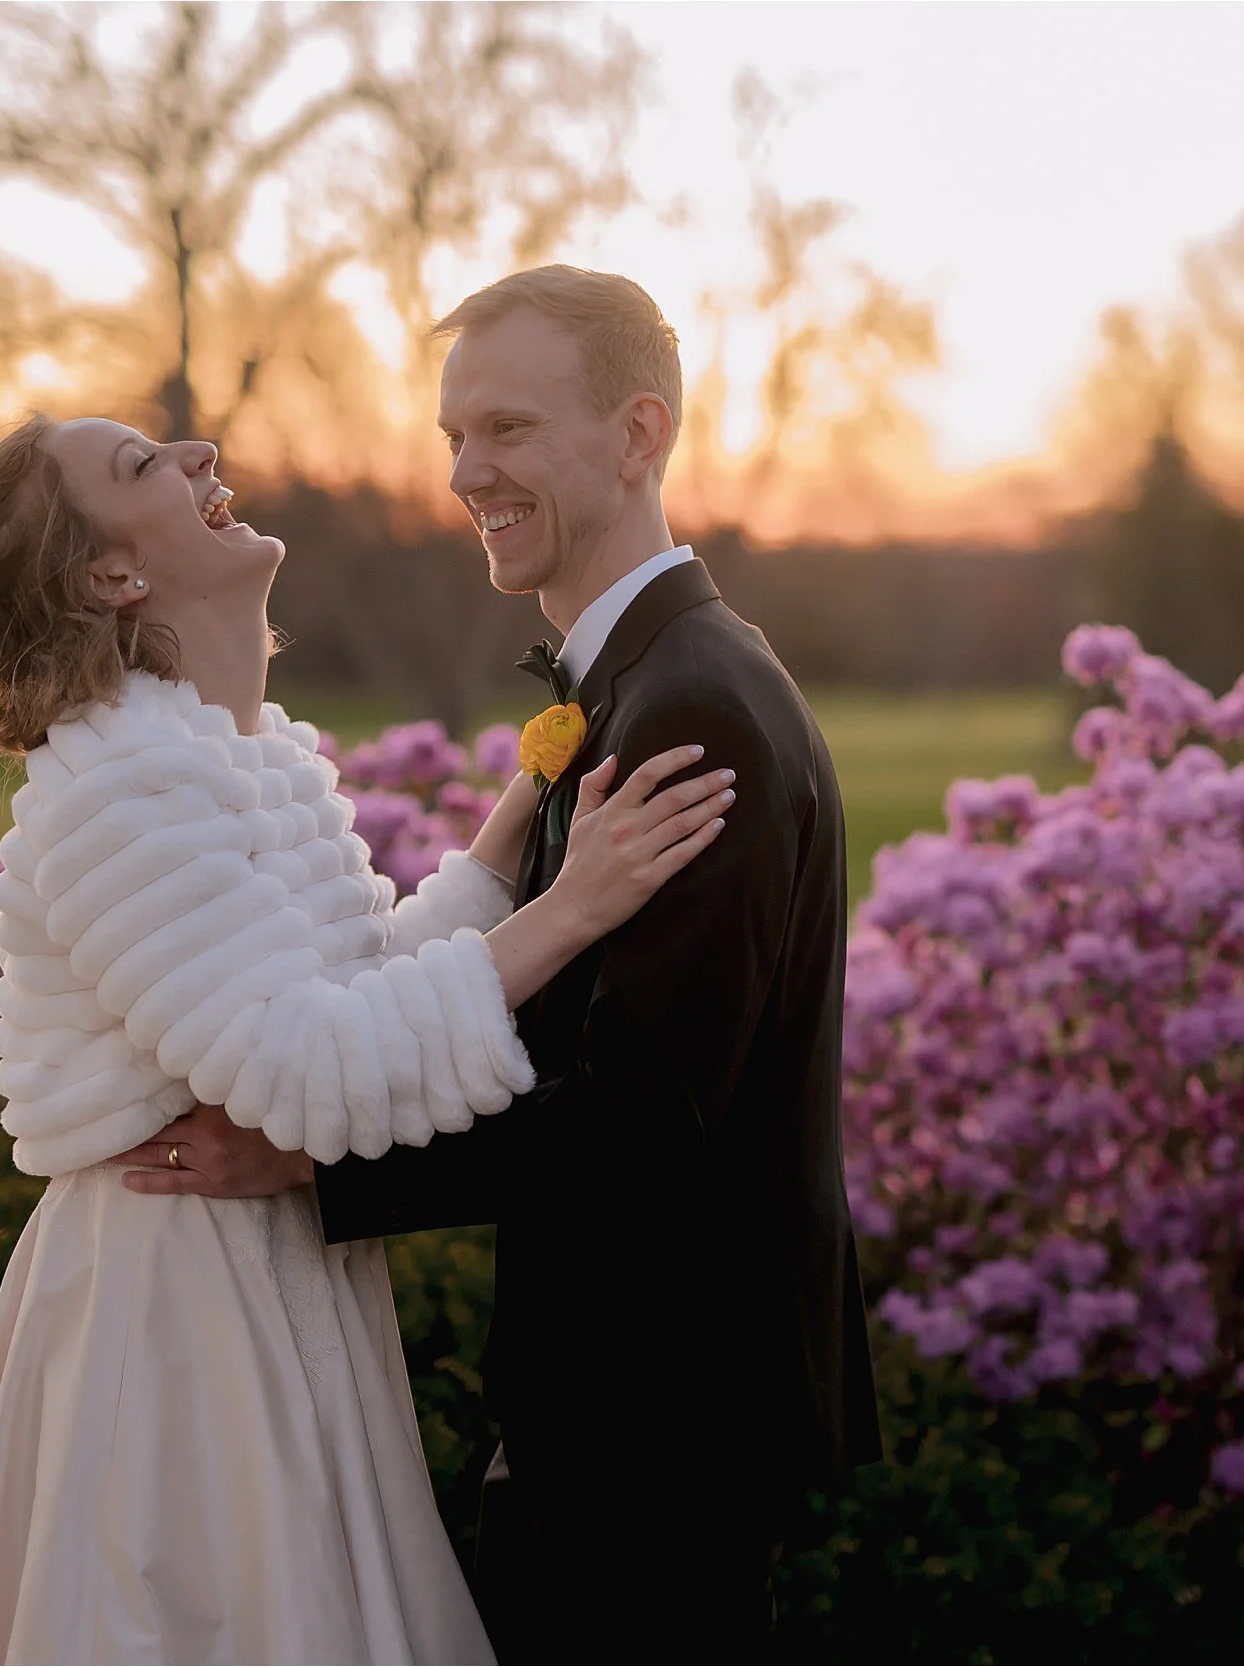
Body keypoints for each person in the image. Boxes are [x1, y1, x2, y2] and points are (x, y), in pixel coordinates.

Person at [136, 267, 883, 1661]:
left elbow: (638, 1123)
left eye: (512, 429)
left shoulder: (693, 713)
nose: (470, 470)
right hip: (633, 1411)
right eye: (455, 436)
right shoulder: (651, 680)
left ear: (638, 432)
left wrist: (308, 1157)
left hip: (656, 1425)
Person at [0, 409, 732, 1664]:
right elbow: (307, 1070)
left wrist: (518, 825)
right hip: (177, 1314)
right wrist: (572, 912)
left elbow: (360, 997)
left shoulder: (249, 757)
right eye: (143, 467)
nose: (194, 458)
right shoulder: (122, 789)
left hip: (269, 1271)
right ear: (111, 575)